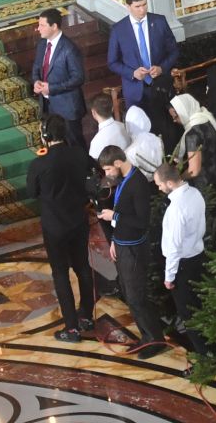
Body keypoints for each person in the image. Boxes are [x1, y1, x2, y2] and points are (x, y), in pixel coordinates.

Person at [24, 116, 94, 341]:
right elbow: (93, 175)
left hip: (54, 227)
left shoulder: (39, 163)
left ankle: (71, 327)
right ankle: (87, 316)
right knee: (83, 267)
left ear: (45, 135)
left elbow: (31, 193)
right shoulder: (79, 154)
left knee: (60, 273)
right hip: (79, 220)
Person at [96, 145, 161, 343]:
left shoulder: (137, 182)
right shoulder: (124, 179)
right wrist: (114, 239)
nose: (107, 175)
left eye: (108, 170)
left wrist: (113, 215)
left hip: (134, 248)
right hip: (123, 243)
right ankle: (146, 336)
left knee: (135, 297)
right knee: (127, 291)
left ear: (117, 163)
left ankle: (154, 339)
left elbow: (141, 221)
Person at [106, 0, 178, 133]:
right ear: (128, 7)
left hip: (160, 86)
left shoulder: (159, 22)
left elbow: (174, 51)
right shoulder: (118, 30)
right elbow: (112, 62)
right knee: (141, 133)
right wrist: (132, 73)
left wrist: (161, 68)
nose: (142, 10)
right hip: (135, 91)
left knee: (166, 129)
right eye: (137, 6)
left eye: (144, 5)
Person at [157, 160, 207, 349]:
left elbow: (174, 247)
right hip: (197, 257)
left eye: (159, 184)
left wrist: (169, 276)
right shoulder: (195, 193)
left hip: (182, 265)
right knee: (198, 307)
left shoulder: (175, 208)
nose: (159, 188)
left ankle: (201, 355)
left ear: (169, 183)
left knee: (189, 314)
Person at [28, 7, 85, 148]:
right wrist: (36, 82)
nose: (38, 29)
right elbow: (36, 67)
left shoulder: (69, 49)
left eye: (42, 25)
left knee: (74, 145)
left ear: (54, 26)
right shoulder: (42, 45)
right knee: (55, 146)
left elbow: (78, 77)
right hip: (48, 106)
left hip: (67, 108)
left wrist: (51, 88)